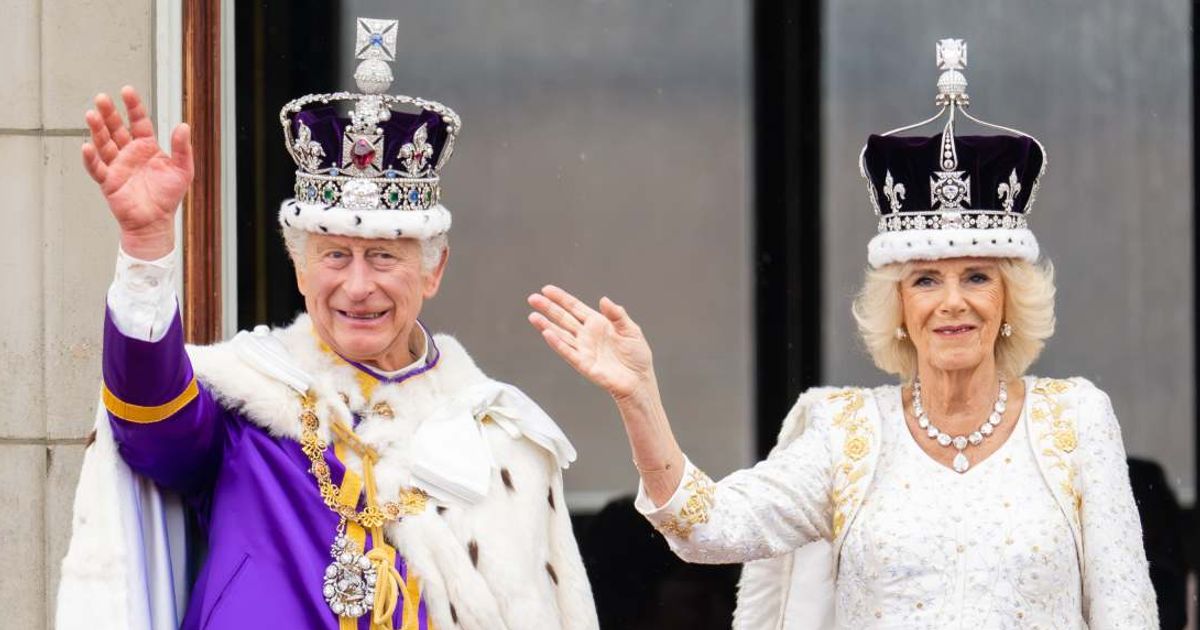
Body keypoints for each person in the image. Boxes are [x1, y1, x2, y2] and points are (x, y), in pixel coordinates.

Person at [527, 39, 1158, 629]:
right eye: (926, 282)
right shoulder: (847, 434)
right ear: (899, 309)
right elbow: (706, 529)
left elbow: (1128, 611)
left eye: (977, 277)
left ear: (1010, 299)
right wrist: (639, 396)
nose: (953, 303)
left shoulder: (1076, 421)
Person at [57, 17, 598, 630]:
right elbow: (150, 425)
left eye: (384, 257)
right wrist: (147, 245)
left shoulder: (500, 438)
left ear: (433, 270)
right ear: (301, 270)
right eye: (334, 255)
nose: (357, 286)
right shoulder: (248, 402)